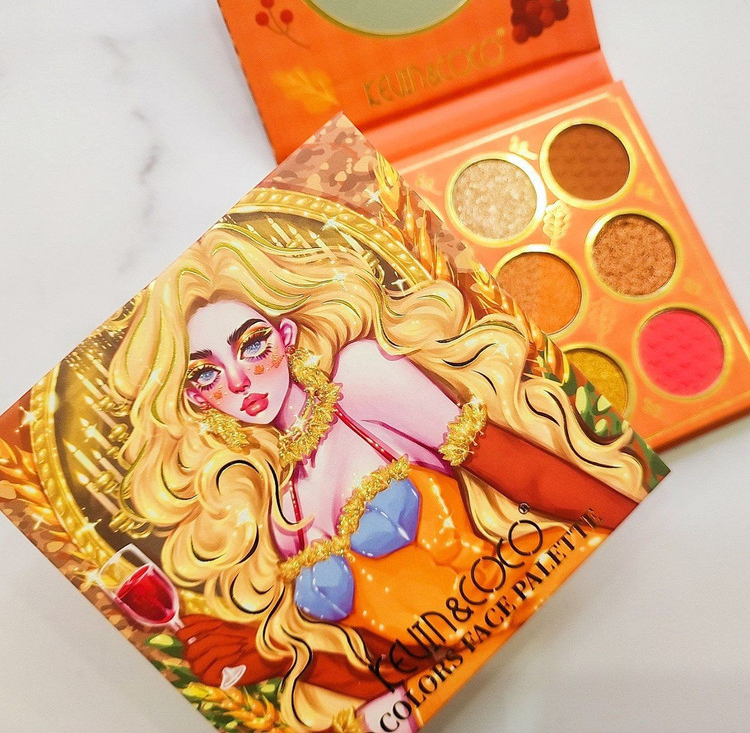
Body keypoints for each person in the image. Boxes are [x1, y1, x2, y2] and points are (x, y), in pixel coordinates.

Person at [109, 223, 644, 731]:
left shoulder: (360, 381)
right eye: (206, 372)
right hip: (483, 687)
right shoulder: (282, 514)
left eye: (251, 345)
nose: (238, 380)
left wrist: (637, 516)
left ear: (286, 335)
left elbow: (528, 474)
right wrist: (275, 659)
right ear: (197, 396)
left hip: (561, 602)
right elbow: (396, 669)